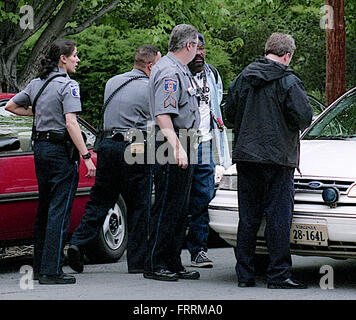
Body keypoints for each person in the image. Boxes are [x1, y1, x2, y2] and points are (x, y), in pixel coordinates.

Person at [224, 33, 313, 289]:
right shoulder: (288, 81)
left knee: (248, 216)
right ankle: (278, 275)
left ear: (267, 51)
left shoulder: (244, 78)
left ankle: (244, 274)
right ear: (287, 55)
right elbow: (304, 116)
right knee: (278, 217)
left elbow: (229, 114)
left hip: (247, 156)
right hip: (278, 157)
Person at [5, 39, 96, 285]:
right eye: (75, 55)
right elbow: (71, 123)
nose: (78, 59)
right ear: (63, 58)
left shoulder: (36, 84)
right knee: (60, 209)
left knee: (45, 207)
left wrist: (39, 111)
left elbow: (12, 106)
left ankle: (40, 266)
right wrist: (86, 156)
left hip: (41, 150)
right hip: (60, 151)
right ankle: (52, 270)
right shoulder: (68, 85)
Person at [67, 45, 161, 274]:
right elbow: (157, 122)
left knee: (100, 200)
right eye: (158, 65)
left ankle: (78, 243)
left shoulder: (113, 82)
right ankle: (138, 262)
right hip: (136, 145)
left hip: (107, 146)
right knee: (139, 205)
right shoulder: (151, 88)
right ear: (150, 65)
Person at [144, 24, 201, 281]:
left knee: (179, 207)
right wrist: (177, 148)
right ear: (189, 45)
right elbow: (163, 114)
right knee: (167, 205)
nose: (198, 51)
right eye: (197, 46)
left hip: (183, 140)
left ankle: (172, 260)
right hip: (171, 142)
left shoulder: (180, 70)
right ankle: (156, 263)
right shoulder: (169, 71)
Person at [186, 33, 231, 268]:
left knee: (203, 197)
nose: (200, 54)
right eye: (195, 48)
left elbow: (217, 109)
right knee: (176, 198)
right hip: (181, 142)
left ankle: (198, 250)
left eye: (202, 49)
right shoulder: (178, 74)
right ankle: (166, 252)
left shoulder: (211, 74)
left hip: (205, 143)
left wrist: (222, 154)